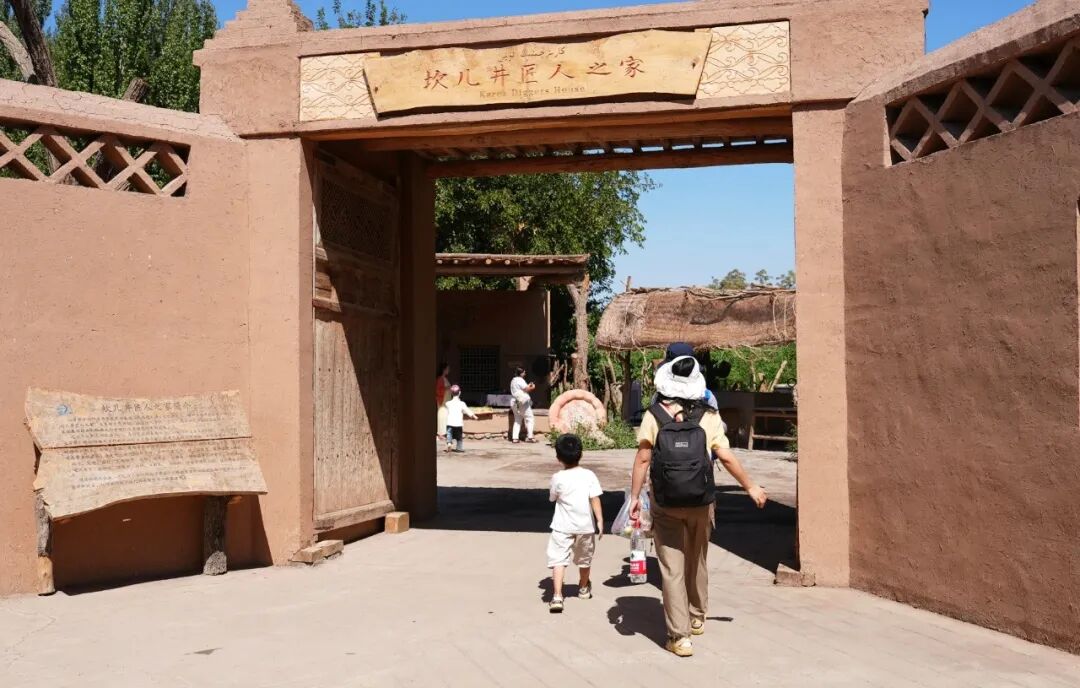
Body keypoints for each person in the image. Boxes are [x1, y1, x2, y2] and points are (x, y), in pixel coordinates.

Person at [629, 354, 767, 657]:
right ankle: (697, 616)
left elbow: (643, 458)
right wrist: (750, 486)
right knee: (698, 558)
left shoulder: (654, 414)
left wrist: (635, 497)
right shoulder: (709, 415)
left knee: (671, 568)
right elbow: (725, 456)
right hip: (702, 501)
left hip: (666, 502)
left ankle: (679, 637)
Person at [546, 433, 603, 613]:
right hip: (585, 526)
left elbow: (552, 498)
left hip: (562, 527)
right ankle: (584, 588)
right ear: (581, 454)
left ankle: (557, 596)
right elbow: (595, 499)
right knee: (584, 559)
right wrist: (600, 520)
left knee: (558, 559)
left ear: (558, 457)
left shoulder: (557, 477)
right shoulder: (589, 475)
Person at [443, 385, 477, 453]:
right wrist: (473, 415)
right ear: (459, 393)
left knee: (449, 434)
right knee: (459, 437)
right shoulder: (462, 403)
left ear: (451, 393)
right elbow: (467, 410)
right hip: (458, 423)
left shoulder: (448, 403)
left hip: (450, 423)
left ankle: (449, 443)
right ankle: (459, 448)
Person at [509, 366, 537, 443]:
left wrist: (529, 385)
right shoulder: (520, 380)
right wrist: (532, 387)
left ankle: (515, 438)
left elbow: (521, 389)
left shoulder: (513, 380)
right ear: (521, 373)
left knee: (517, 419)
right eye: (524, 372)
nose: (525, 373)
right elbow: (526, 389)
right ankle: (530, 437)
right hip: (522, 401)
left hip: (514, 402)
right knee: (529, 418)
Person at [436, 362, 452, 441]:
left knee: (445, 417)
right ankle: (440, 433)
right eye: (447, 369)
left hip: (446, 401)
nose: (448, 370)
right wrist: (447, 388)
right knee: (442, 416)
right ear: (444, 369)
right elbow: (437, 390)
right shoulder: (440, 379)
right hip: (442, 401)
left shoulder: (445, 378)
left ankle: (444, 432)